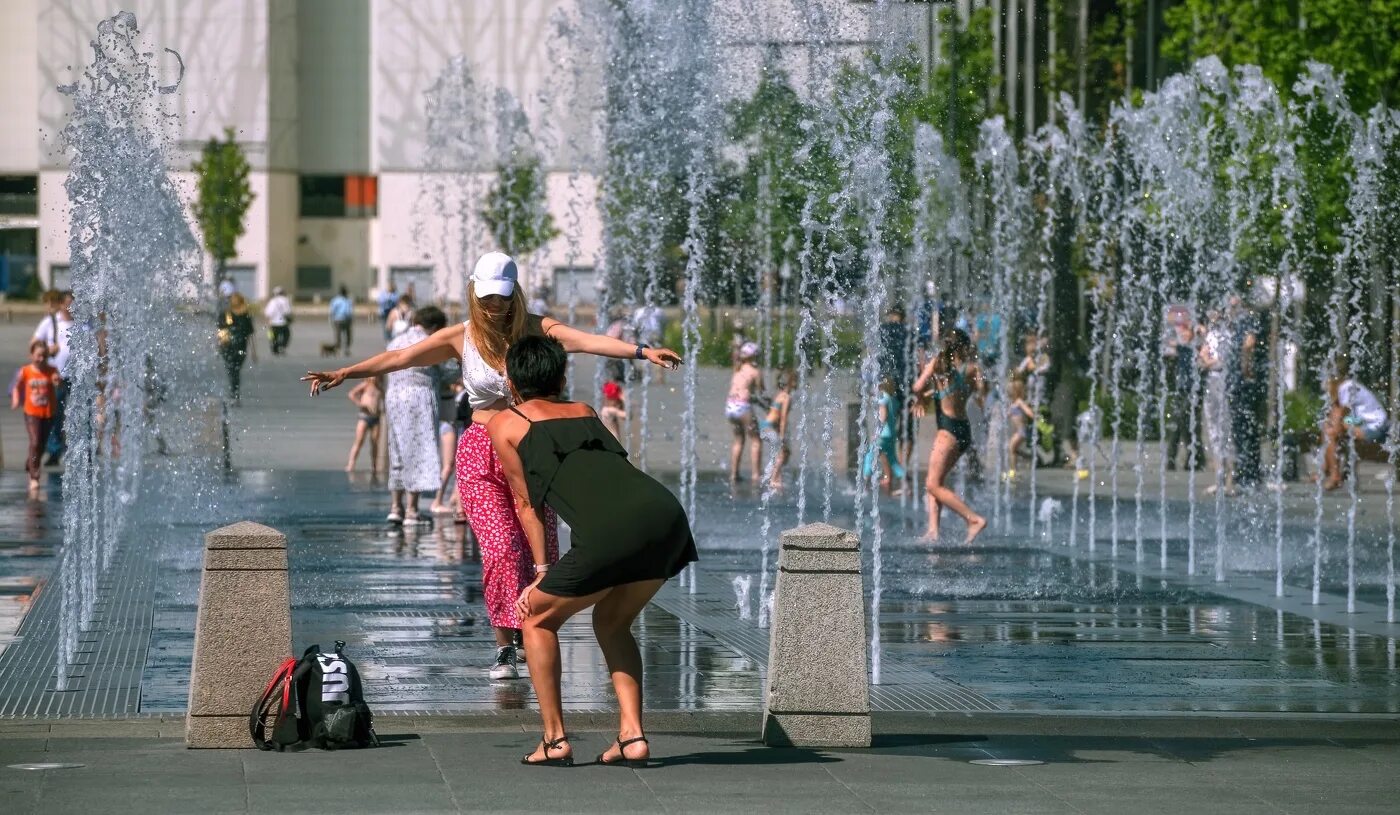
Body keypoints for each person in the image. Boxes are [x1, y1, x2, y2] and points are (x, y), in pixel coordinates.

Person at [302, 252, 681, 681]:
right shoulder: (459, 337)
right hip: (481, 447)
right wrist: (346, 372)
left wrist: (643, 352)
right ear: (472, 291)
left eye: (501, 297)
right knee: (502, 549)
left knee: (539, 547)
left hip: (532, 447)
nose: (493, 306)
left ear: (514, 292)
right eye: (485, 297)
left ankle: (532, 629)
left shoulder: (537, 328)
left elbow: (588, 340)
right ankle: (504, 645)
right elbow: (400, 358)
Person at [486, 334, 697, 766]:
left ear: (511, 381)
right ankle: (632, 736)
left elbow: (527, 504)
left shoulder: (504, 423)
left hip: (611, 532)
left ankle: (554, 739)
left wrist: (542, 571)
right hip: (665, 516)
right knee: (612, 621)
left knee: (537, 618)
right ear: (562, 377)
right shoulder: (585, 411)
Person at [912, 328, 988, 543]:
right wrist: (933, 393)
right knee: (935, 479)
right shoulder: (972, 369)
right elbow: (975, 392)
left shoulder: (939, 363)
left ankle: (973, 519)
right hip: (964, 431)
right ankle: (933, 530)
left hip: (947, 432)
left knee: (932, 485)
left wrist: (920, 398)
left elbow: (917, 385)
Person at [383, 306, 449, 525]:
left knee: (398, 450)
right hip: (419, 396)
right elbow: (449, 370)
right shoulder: (431, 341)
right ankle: (412, 510)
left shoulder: (396, 341)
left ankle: (395, 508)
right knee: (418, 450)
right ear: (435, 327)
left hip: (394, 397)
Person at [1321, 360, 1390, 490]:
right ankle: (1329, 471)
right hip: (1367, 422)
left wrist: (1333, 428)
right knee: (1331, 429)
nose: (1326, 389)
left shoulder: (1346, 387)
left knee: (1331, 432)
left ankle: (1333, 475)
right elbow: (1337, 417)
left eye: (1327, 384)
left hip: (1375, 426)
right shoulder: (1347, 387)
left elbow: (1338, 415)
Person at [11, 339, 59, 496]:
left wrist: (57, 380)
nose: (41, 359)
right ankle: (34, 477)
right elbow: (16, 386)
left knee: (41, 445)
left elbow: (56, 379)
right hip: (31, 413)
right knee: (35, 441)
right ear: (31, 355)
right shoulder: (25, 371)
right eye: (38, 356)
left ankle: (30, 462)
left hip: (48, 413)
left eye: (44, 356)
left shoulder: (51, 370)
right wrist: (16, 399)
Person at [1226, 295, 1265, 488]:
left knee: (1245, 428)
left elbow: (1249, 344)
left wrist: (1245, 368)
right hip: (1237, 382)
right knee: (1241, 428)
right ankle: (1247, 470)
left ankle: (1250, 472)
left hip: (1244, 383)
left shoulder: (1248, 318)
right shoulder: (1238, 320)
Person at [32, 289, 73, 464]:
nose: (72, 306)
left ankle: (80, 452)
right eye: (68, 302)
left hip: (80, 378)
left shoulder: (85, 323)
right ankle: (55, 451)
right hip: (57, 376)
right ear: (62, 304)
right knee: (55, 415)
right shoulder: (50, 322)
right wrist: (49, 350)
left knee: (80, 416)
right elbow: (34, 345)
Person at [1163, 308, 1206, 471]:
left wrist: (1198, 330)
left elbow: (1204, 337)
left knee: (1188, 423)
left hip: (1195, 390)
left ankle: (1192, 458)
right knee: (1179, 423)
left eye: (1187, 331)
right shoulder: (1182, 347)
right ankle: (1178, 459)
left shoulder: (1197, 347)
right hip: (1182, 389)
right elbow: (1169, 343)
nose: (1184, 334)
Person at [1198, 308, 1235, 493]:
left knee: (1225, 429)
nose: (1212, 317)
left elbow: (1221, 360)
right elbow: (1202, 357)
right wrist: (1206, 360)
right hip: (1211, 381)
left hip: (1222, 380)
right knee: (1213, 430)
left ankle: (1229, 479)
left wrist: (1207, 361)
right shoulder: (1211, 335)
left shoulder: (1226, 335)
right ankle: (1219, 478)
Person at [726, 341, 764, 485]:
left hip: (730, 406)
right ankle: (756, 475)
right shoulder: (755, 371)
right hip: (743, 407)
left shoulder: (737, 368)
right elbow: (761, 392)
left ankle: (734, 474)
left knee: (738, 439)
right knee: (756, 439)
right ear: (754, 356)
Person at [862, 377, 906, 494]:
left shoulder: (882, 397)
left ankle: (863, 486)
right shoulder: (893, 399)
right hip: (891, 434)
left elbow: (883, 416)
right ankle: (907, 486)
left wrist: (876, 433)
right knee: (893, 461)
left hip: (882, 435)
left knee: (870, 457)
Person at [217, 293, 256, 404]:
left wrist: (218, 346)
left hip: (227, 348)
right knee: (236, 370)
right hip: (241, 348)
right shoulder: (246, 315)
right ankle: (235, 393)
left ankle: (234, 393)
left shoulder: (225, 314)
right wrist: (254, 352)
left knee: (231, 370)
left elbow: (220, 332)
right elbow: (250, 335)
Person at [345, 376, 383, 473]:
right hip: (364, 416)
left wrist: (382, 410)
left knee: (375, 443)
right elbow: (351, 394)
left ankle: (374, 466)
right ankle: (351, 464)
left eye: (376, 377)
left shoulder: (380, 389)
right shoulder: (365, 385)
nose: (374, 379)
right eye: (372, 377)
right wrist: (360, 404)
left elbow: (383, 401)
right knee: (359, 441)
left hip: (375, 418)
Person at [764, 369, 794, 490]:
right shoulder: (786, 397)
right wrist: (782, 435)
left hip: (766, 426)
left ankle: (776, 478)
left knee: (783, 453)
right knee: (783, 453)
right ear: (790, 383)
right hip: (771, 427)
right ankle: (773, 479)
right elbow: (783, 418)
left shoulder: (779, 395)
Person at [264, 286, 292, 355]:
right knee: (286, 335)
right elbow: (288, 311)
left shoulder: (272, 301)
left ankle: (274, 349)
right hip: (283, 322)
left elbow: (268, 312)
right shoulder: (285, 300)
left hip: (273, 323)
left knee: (273, 336)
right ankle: (282, 346)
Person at [329, 286, 355, 355]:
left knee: (338, 335)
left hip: (338, 319)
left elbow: (332, 311)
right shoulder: (348, 300)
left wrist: (331, 320)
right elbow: (350, 311)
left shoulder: (335, 300)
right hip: (345, 319)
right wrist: (352, 319)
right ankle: (346, 349)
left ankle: (339, 348)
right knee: (347, 335)